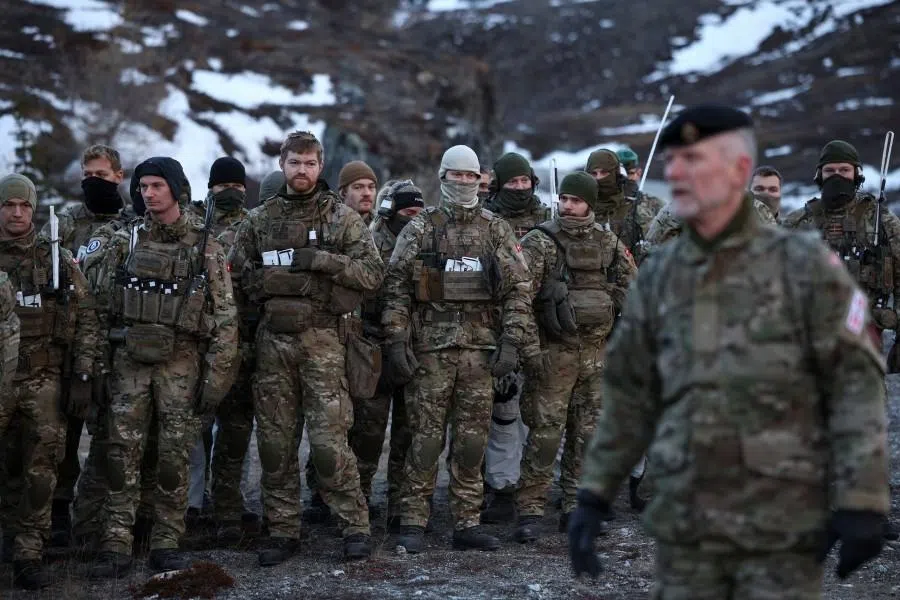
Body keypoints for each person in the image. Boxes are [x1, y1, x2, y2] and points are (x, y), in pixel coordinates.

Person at [568, 105, 889, 598]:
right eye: (677, 164)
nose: (681, 176)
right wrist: (595, 493)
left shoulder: (804, 265)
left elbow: (856, 383)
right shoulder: (660, 275)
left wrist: (863, 498)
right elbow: (631, 393)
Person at [229, 131, 383, 565]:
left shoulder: (341, 219)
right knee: (275, 446)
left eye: (310, 163)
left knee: (329, 445)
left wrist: (324, 262)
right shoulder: (258, 220)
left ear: (320, 167)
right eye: (295, 162)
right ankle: (282, 529)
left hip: (324, 345)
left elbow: (373, 274)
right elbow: (235, 276)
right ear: (282, 165)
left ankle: (355, 525)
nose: (302, 170)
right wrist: (268, 283)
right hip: (273, 346)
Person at [87, 156, 238, 578]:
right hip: (129, 363)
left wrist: (217, 376)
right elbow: (99, 308)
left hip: (181, 365)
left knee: (174, 456)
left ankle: (167, 539)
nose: (148, 194)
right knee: (121, 454)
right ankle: (116, 541)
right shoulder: (126, 241)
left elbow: (225, 318)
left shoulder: (205, 245)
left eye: (157, 186)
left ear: (175, 188)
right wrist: (95, 366)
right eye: (143, 187)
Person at [382, 144, 537, 553]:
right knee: (424, 440)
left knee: (471, 443)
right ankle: (413, 519)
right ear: (443, 177)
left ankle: (467, 521)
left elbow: (519, 289)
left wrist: (511, 341)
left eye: (471, 176)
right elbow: (396, 288)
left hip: (479, 354)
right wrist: (396, 339)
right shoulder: (421, 228)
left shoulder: (495, 229)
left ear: (479, 180)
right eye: (457, 175)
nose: (464, 182)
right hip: (430, 353)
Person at [514, 171, 636, 542]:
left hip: (596, 355)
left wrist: (613, 302)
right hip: (554, 353)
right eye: (564, 199)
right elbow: (519, 297)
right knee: (545, 435)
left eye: (576, 200)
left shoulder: (608, 241)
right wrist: (530, 350)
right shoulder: (540, 241)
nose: (567, 206)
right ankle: (530, 510)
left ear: (590, 204)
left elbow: (635, 288)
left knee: (588, 436)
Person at [0, 173, 102, 589]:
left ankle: (29, 552)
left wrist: (82, 373)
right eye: (9, 205)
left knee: (42, 470)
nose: (17, 213)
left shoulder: (54, 258)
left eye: (24, 205)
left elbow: (87, 318)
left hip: (43, 379)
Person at [25, 145, 126, 548]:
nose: (93, 182)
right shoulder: (64, 223)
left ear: (118, 176)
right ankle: (58, 513)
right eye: (87, 175)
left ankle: (100, 519)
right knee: (60, 438)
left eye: (101, 175)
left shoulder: (131, 224)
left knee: (110, 439)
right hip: (67, 345)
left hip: (113, 348)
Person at [480, 152, 551, 524]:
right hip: (499, 329)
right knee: (503, 413)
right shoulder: (486, 222)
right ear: (499, 185)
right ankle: (502, 487)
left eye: (525, 181)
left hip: (546, 331)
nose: (520, 188)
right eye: (512, 182)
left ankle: (537, 489)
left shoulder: (549, 220)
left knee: (541, 415)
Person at [354, 179, 425, 525]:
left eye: (418, 213)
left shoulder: (427, 240)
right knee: (367, 434)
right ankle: (359, 499)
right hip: (375, 349)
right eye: (407, 212)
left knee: (409, 433)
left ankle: (401, 502)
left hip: (415, 347)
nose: (414, 219)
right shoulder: (367, 243)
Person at [586, 149, 662, 264]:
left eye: (630, 173)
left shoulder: (649, 205)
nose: (599, 179)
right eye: (594, 174)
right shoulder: (583, 204)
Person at [338, 160, 379, 225]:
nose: (367, 193)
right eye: (358, 187)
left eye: (371, 187)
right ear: (343, 192)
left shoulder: (384, 225)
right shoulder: (327, 224)